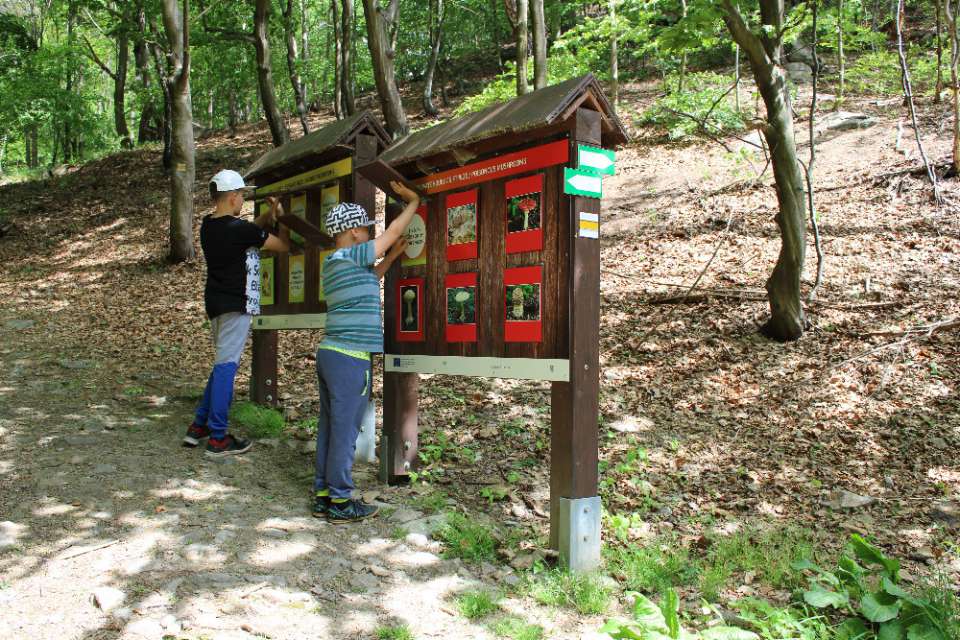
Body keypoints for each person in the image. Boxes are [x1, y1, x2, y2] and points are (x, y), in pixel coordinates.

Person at [313, 182, 419, 523]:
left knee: (331, 428)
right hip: (350, 358)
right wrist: (414, 202)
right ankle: (342, 503)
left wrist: (392, 257)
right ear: (352, 232)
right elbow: (390, 233)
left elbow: (371, 277)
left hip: (331, 354)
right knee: (345, 432)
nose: (366, 235)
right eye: (363, 230)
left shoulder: (334, 264)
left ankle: (324, 494)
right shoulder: (350, 253)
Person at [183, 169, 290, 458]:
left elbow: (248, 233)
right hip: (235, 305)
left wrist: (266, 217)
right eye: (241, 194)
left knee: (221, 363)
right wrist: (280, 216)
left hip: (217, 305)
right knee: (226, 367)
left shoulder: (209, 226)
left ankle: (199, 426)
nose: (243, 199)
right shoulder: (240, 231)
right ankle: (218, 438)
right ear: (232, 197)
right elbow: (282, 245)